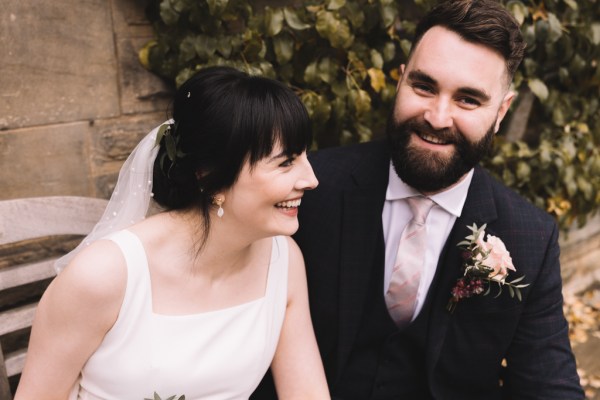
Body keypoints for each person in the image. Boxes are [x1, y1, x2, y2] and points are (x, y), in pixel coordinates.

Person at [252, 0, 584, 399]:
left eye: (468, 100)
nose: (438, 117)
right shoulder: (314, 189)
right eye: (424, 87)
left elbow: (548, 385)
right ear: (400, 81)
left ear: (501, 112)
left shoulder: (530, 236)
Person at [15, 66, 330, 400]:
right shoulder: (103, 276)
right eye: (285, 163)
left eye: (305, 157)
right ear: (210, 176)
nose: (311, 179)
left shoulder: (283, 260)